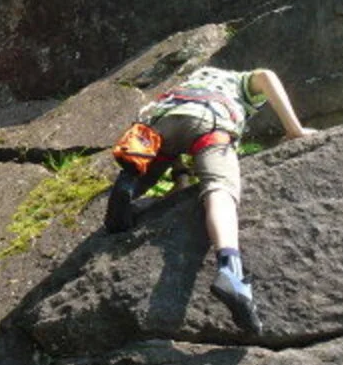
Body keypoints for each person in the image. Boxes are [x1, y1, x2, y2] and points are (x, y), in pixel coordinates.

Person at [105, 67, 316, 335]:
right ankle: (231, 272)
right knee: (220, 187)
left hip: (159, 123)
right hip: (210, 120)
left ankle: (130, 182)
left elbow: (179, 148)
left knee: (155, 156)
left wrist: (180, 184)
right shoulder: (237, 81)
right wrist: (295, 130)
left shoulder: (189, 83)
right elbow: (266, 76)